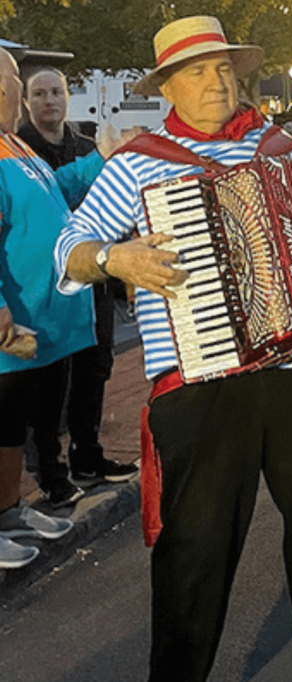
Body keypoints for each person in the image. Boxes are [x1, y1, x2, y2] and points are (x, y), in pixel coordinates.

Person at [54, 16, 292, 682]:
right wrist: (113, 255)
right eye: (196, 71)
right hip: (203, 379)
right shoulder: (137, 163)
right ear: (169, 87)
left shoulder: (283, 148)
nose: (215, 83)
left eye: (222, 68)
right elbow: (68, 250)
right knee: (197, 552)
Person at [0, 47, 104, 567]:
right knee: (1, 422)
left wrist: (101, 160)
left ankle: (10, 510)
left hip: (43, 317)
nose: (21, 88)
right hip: (14, 320)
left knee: (21, 423)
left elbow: (54, 192)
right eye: (18, 78)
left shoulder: (13, 146)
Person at [17, 66, 138, 486]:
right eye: (38, 93)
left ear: (68, 96)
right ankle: (46, 466)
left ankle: (88, 455)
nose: (49, 100)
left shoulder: (85, 144)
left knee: (96, 366)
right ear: (24, 101)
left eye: (56, 92)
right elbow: (51, 196)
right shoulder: (20, 151)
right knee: (47, 379)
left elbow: (116, 208)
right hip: (44, 286)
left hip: (94, 279)